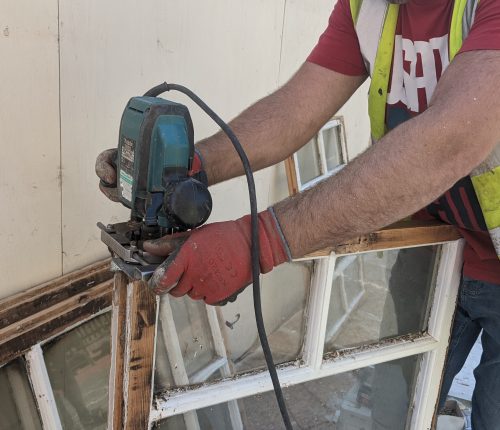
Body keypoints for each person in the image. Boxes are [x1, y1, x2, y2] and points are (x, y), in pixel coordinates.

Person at [96, 0, 500, 427]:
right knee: (393, 409)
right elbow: (294, 110)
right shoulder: (368, 6)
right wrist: (184, 166)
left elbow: (452, 139)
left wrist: (261, 240)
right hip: (438, 249)